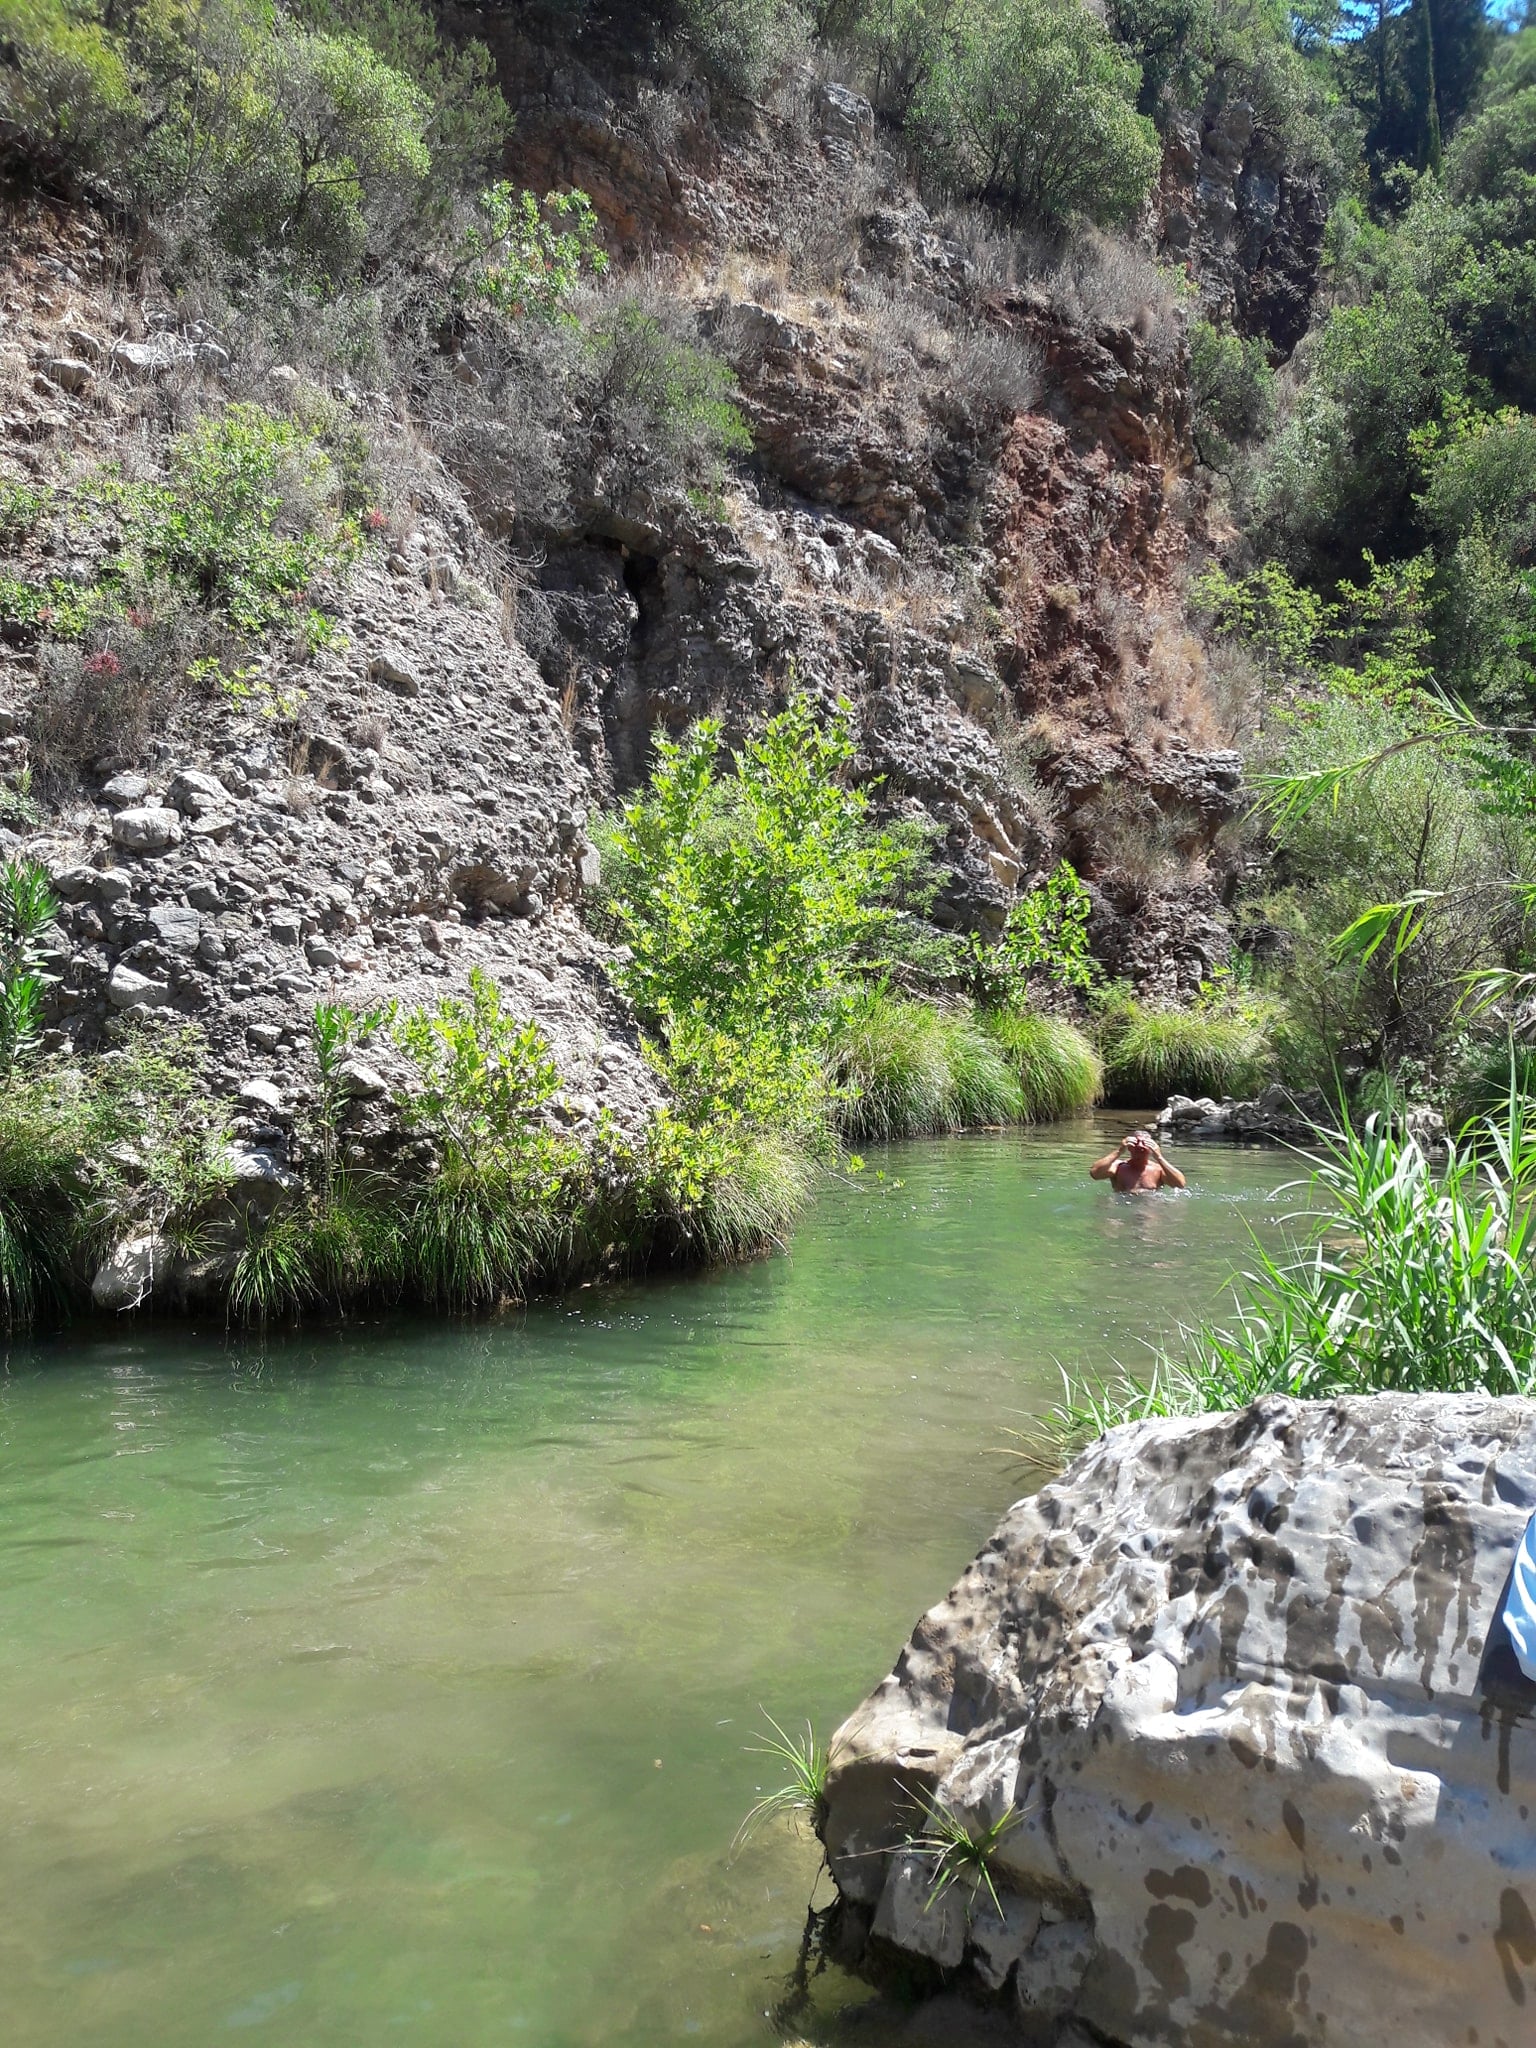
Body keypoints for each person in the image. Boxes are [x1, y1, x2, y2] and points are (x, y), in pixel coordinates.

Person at [1090, 1128, 1186, 1194]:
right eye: (1136, 1143)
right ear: (1130, 1147)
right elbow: (1095, 1174)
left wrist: (1159, 1157)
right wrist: (1119, 1151)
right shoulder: (1118, 1167)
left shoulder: (1159, 1170)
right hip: (1121, 1208)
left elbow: (1180, 1184)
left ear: (1151, 1147)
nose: (1140, 1146)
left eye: (1145, 1143)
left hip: (1149, 1209)